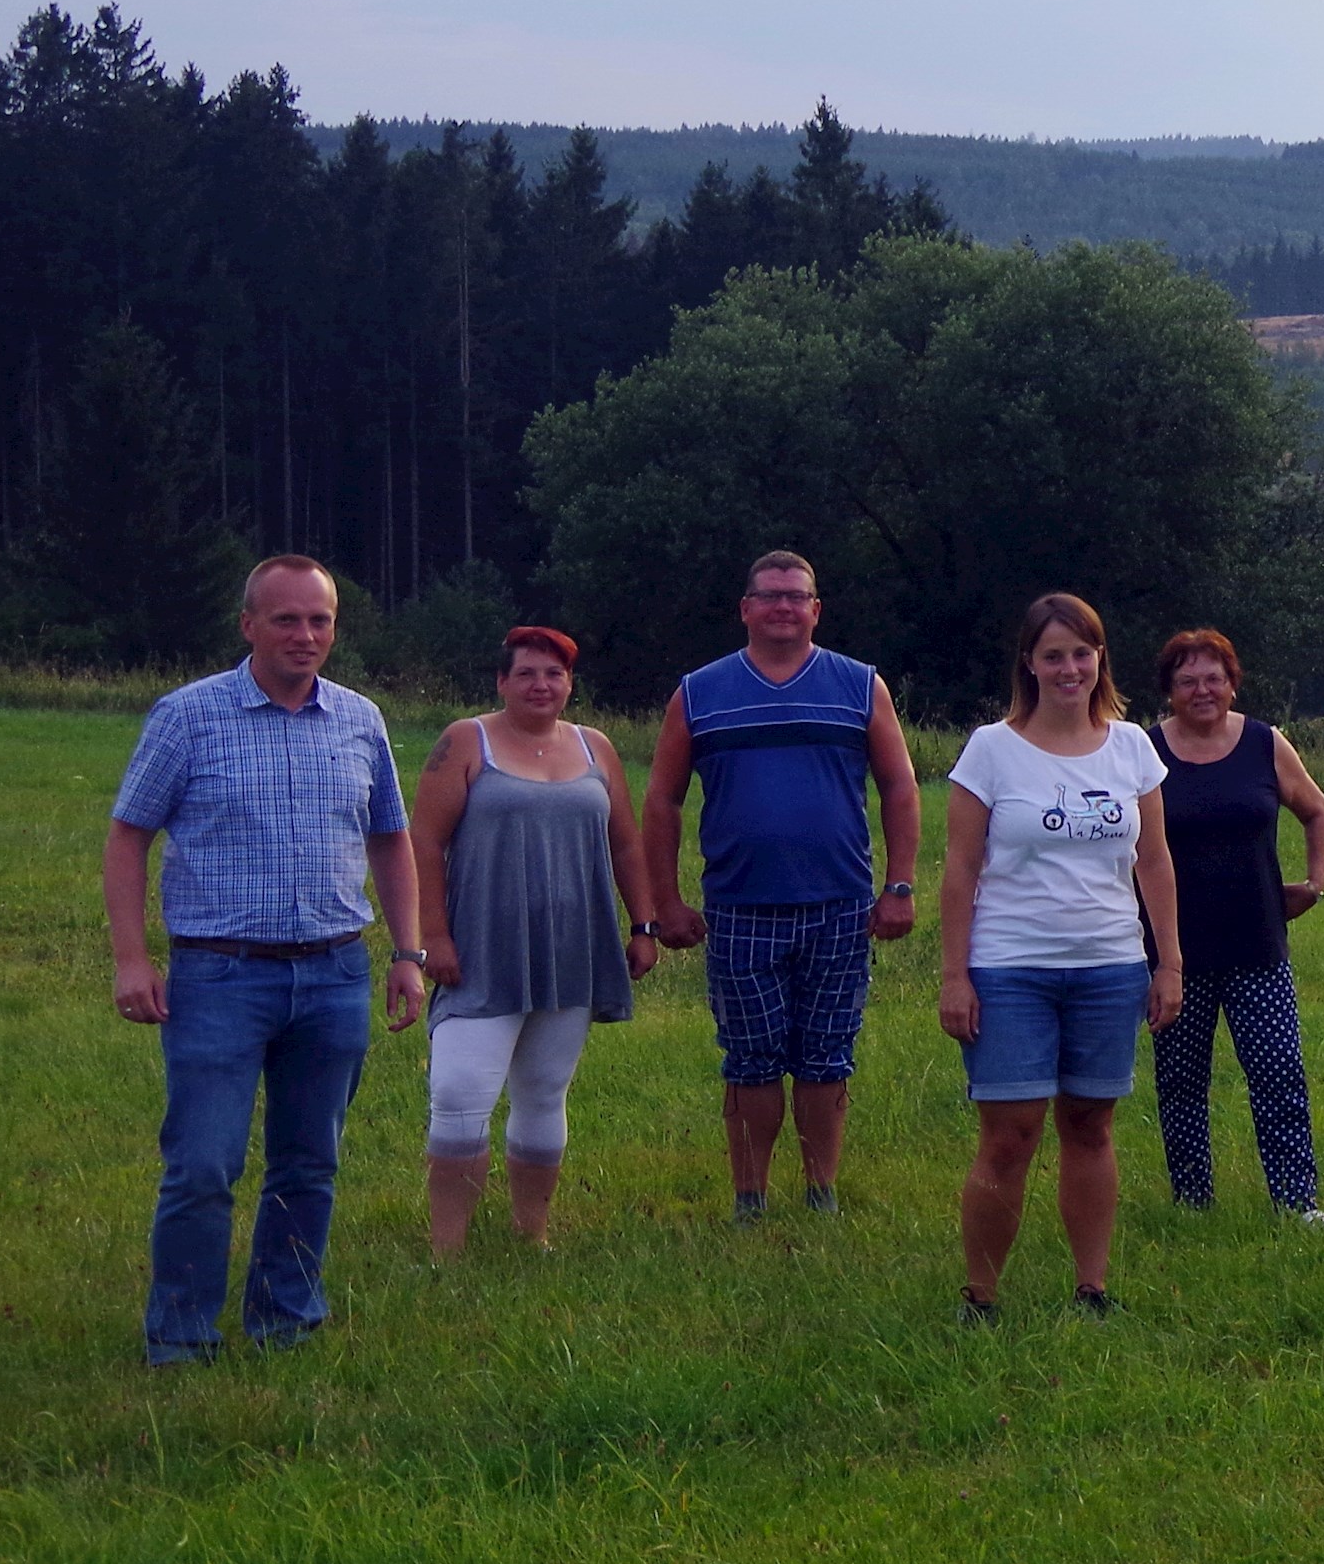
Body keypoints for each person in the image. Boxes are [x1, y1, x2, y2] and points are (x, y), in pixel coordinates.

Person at [103, 556, 425, 1364]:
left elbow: (390, 838)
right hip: (220, 976)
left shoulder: (360, 719)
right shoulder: (189, 716)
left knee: (310, 1162)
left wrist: (408, 953)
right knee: (204, 1164)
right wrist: (132, 958)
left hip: (334, 974)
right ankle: (179, 1335)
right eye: (286, 619)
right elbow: (128, 835)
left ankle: (286, 1320)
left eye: (319, 620)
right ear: (248, 625)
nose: (305, 635)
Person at [643, 551, 923, 1222]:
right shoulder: (700, 691)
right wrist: (666, 902)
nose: (783, 608)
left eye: (797, 597)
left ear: (815, 610)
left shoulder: (859, 686)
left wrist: (901, 885)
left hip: (841, 905)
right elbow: (661, 801)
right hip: (740, 908)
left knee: (827, 1056)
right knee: (751, 1059)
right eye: (769, 596)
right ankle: (751, 1197)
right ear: (745, 608)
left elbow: (901, 786)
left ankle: (822, 1190)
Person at [941, 594, 1181, 1322]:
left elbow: (1155, 861)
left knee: (1091, 1125)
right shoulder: (991, 748)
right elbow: (959, 867)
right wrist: (954, 975)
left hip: (1109, 965)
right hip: (1011, 966)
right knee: (1011, 1134)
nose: (1069, 667)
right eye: (1053, 654)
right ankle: (981, 1295)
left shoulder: (1133, 747)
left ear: (1100, 658)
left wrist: (1167, 961)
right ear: (1030, 664)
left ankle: (1093, 1288)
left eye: (1082, 652)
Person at [406, 627, 661, 1260]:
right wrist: (429, 937)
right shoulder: (467, 741)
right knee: (461, 1092)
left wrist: (643, 924)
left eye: (554, 674)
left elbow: (626, 843)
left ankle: (532, 1234)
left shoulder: (595, 747)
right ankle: (447, 1251)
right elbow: (423, 843)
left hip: (573, 947)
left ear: (570, 683)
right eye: (526, 673)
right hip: (481, 945)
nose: (541, 685)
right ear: (501, 681)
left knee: (545, 1090)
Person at [1146, 628, 1324, 1227]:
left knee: (1278, 1074)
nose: (1202, 691)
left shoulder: (1265, 744)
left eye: (1214, 678)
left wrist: (1313, 883)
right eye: (1187, 681)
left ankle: (1297, 1202)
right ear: (1169, 691)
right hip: (1175, 950)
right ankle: (1192, 1203)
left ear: (1233, 682)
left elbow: (1317, 810)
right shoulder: (1144, 751)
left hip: (1258, 942)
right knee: (1180, 1083)